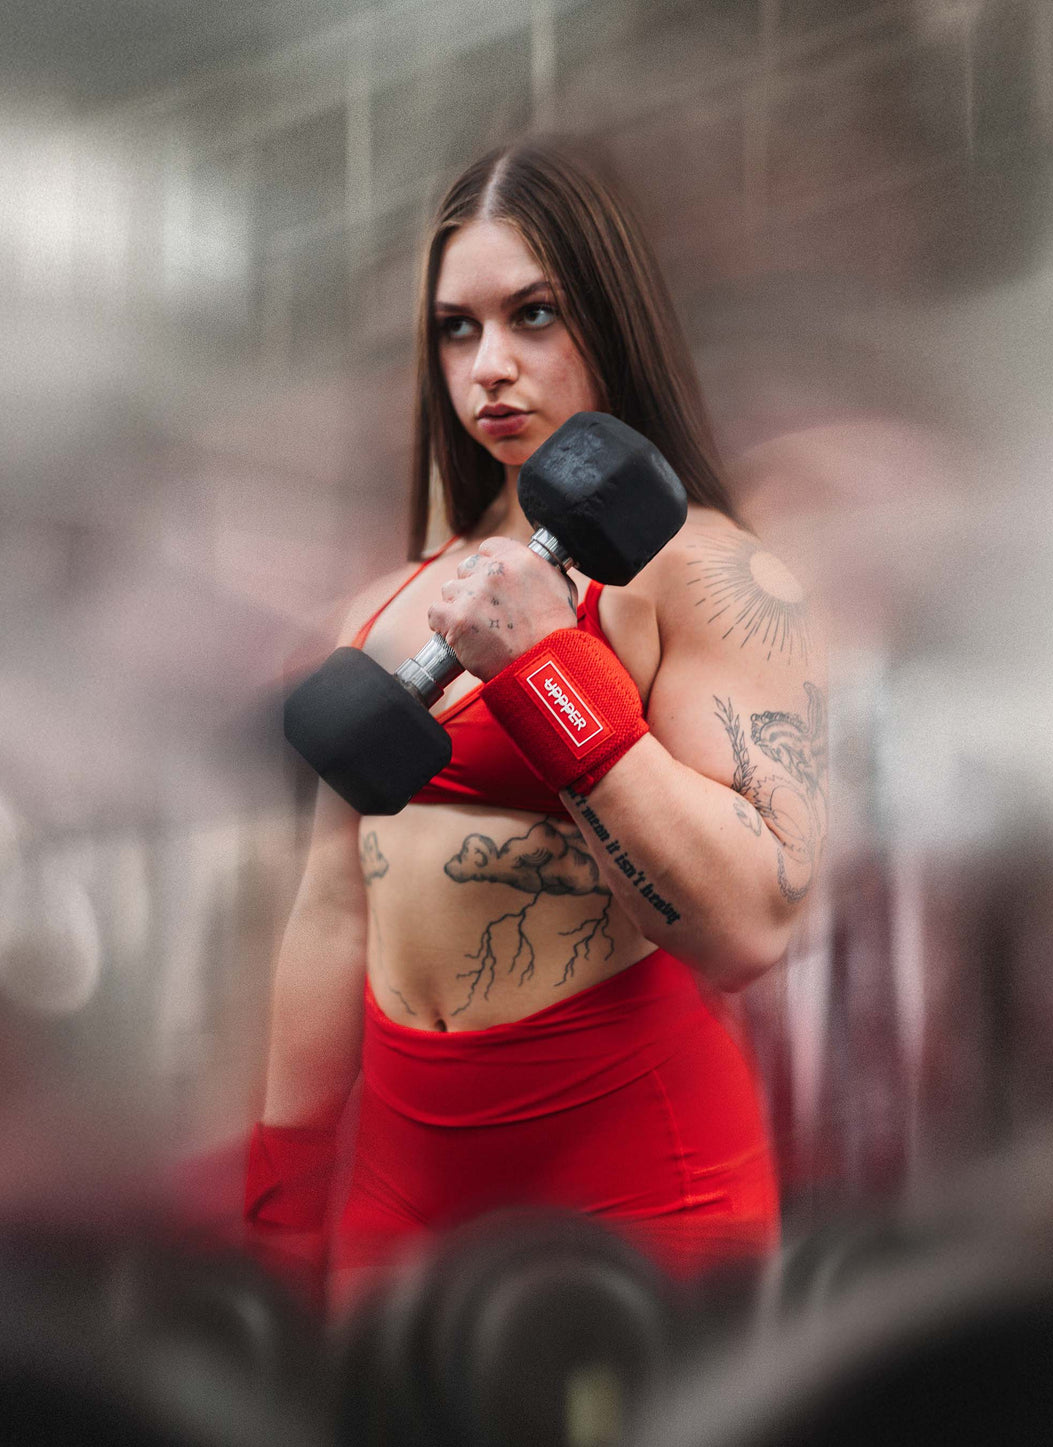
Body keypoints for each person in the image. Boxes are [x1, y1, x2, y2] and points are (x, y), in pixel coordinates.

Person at [245, 141, 827, 1312]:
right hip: (406, 1183)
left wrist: (546, 666)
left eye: (535, 314)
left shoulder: (709, 574)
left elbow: (751, 923)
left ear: (609, 319)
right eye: (457, 329)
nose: (490, 368)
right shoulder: (400, 601)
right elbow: (328, 903)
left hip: (630, 1172)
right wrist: (280, 1201)